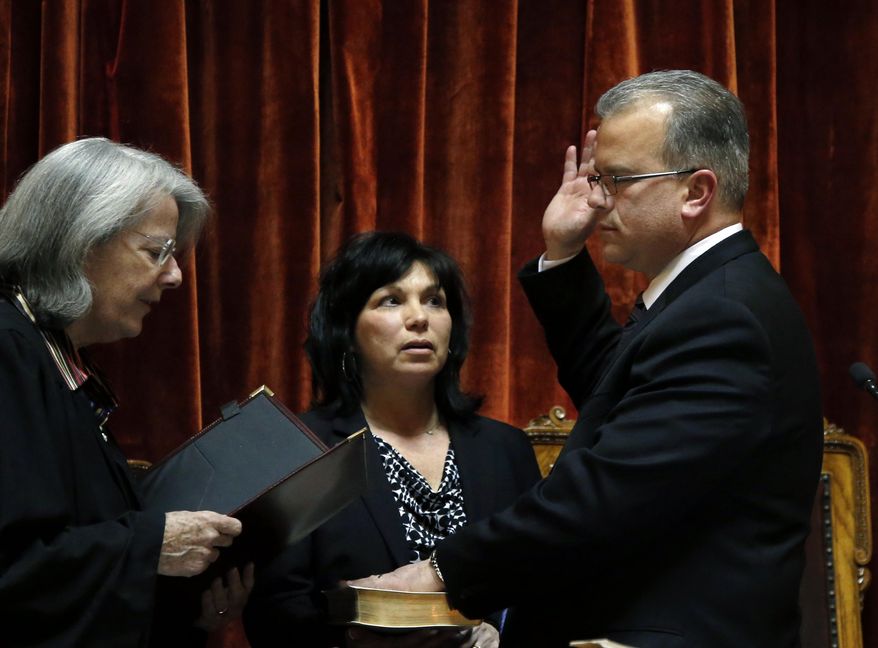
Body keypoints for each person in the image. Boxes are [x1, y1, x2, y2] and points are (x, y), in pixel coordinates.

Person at [350, 70, 824, 647]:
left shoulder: (723, 314)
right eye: (599, 178)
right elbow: (613, 387)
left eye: (619, 180)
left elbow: (601, 496)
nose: (598, 200)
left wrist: (442, 572)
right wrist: (564, 252)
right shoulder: (711, 294)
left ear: (697, 192)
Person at [0, 137, 254, 646]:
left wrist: (183, 611)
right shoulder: (8, 350)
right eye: (156, 251)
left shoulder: (52, 354)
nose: (176, 275)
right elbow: (14, 569)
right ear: (81, 242)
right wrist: (154, 544)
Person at [243, 231, 541, 648]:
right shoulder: (301, 451)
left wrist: (498, 634)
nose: (419, 318)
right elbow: (275, 614)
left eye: (435, 301)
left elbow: (543, 588)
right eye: (391, 300)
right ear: (347, 329)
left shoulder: (506, 449)